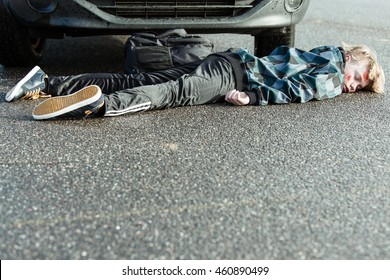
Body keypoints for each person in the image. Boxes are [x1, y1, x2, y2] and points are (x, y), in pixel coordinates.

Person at [5, 43, 385, 120]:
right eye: (360, 77)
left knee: (136, 76)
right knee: (173, 94)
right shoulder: (332, 74)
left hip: (227, 58)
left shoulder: (322, 51)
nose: (353, 85)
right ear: (352, 58)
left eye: (361, 87)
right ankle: (102, 104)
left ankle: (48, 83)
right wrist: (254, 98)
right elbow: (299, 90)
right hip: (234, 75)